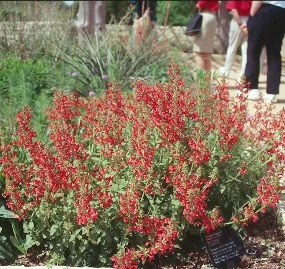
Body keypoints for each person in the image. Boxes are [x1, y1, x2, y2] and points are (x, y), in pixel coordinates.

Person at [245, 1, 285, 102]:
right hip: (281, 11)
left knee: (253, 51)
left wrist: (252, 14)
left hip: (264, 10)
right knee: (274, 53)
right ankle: (272, 92)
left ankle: (252, 88)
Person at [219, 1, 251, 79]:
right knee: (246, 51)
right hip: (249, 20)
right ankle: (243, 74)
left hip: (238, 20)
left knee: (232, 47)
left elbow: (233, 10)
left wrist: (240, 23)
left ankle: (226, 71)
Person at [192, 1, 219, 72]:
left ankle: (200, 80)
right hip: (213, 17)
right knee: (207, 53)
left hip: (204, 17)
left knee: (198, 52)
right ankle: (206, 80)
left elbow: (199, 5)